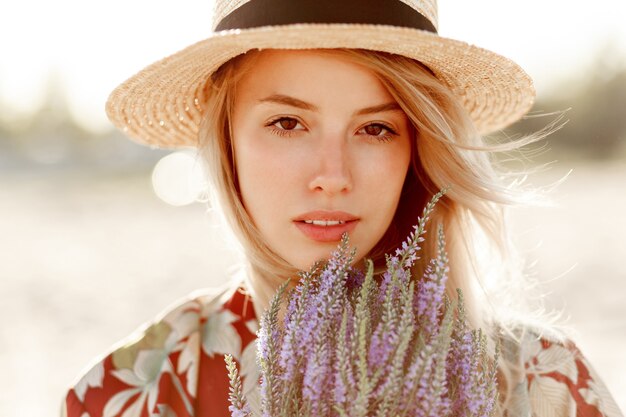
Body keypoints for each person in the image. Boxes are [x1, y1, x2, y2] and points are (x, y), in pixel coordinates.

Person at [63, 1, 623, 416]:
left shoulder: (540, 382)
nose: (332, 175)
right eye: (287, 123)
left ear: (418, 151)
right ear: (225, 135)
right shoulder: (137, 390)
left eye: (376, 128)